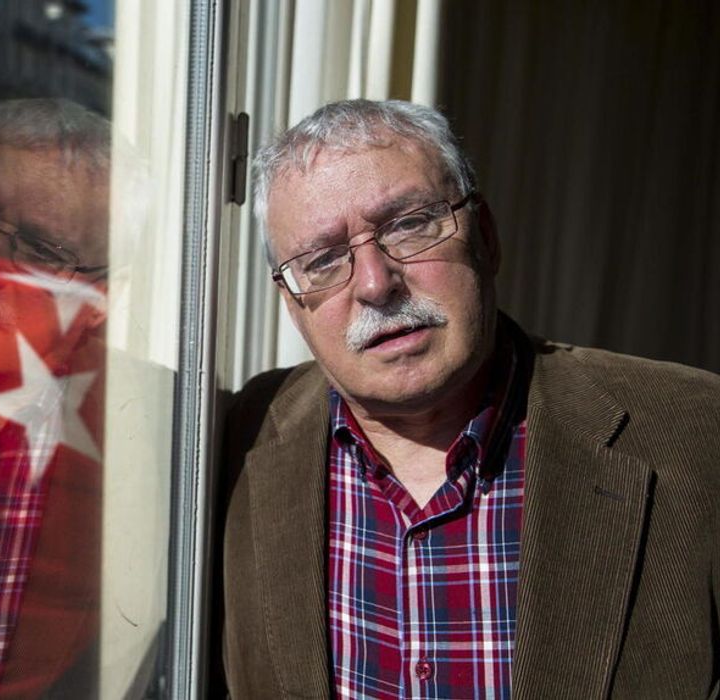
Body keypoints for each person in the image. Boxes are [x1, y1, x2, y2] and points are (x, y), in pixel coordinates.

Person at [222, 99, 720, 698]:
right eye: (324, 259)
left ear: (485, 236)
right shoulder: (240, 434)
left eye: (409, 224)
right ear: (292, 302)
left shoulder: (696, 433)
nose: (376, 284)